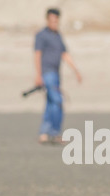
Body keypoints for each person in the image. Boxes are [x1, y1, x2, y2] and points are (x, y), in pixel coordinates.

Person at [34, 8, 82, 144]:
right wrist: (38, 75)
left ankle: (44, 133)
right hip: (47, 74)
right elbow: (37, 55)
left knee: (50, 103)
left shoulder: (58, 36)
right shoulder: (41, 35)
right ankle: (55, 132)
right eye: (52, 20)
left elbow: (64, 54)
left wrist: (76, 71)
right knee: (57, 101)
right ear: (47, 20)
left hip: (56, 74)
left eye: (56, 20)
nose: (54, 22)